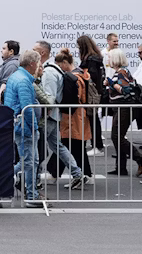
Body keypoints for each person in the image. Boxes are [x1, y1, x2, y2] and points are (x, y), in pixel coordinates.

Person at [39, 43, 86, 186]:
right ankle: (77, 174)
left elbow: (49, 97)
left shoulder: (49, 72)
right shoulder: (55, 71)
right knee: (57, 146)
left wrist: (45, 113)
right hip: (54, 115)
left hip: (49, 116)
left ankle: (33, 179)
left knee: (39, 147)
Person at [5, 48, 42, 206]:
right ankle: (31, 196)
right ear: (32, 64)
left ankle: (31, 194)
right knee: (30, 162)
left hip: (19, 125)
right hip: (24, 127)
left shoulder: (17, 77)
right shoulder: (24, 81)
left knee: (28, 161)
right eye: (38, 63)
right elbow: (27, 107)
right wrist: (34, 127)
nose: (39, 66)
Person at [105, 48, 142, 177]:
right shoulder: (122, 71)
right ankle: (121, 167)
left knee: (117, 136)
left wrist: (112, 84)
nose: (108, 60)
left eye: (110, 58)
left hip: (124, 108)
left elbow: (125, 90)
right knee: (118, 136)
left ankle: (140, 159)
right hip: (121, 108)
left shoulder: (121, 72)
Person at [55, 49, 93, 183]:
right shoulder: (83, 74)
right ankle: (85, 174)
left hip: (72, 116)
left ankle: (55, 172)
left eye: (60, 65)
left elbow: (69, 100)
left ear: (65, 63)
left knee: (66, 145)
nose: (60, 68)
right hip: (81, 113)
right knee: (75, 146)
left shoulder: (71, 78)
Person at [76, 35, 106, 155]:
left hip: (90, 93)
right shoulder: (96, 58)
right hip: (96, 92)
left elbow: (91, 75)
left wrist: (80, 73)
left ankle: (97, 145)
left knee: (93, 118)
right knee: (93, 118)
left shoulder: (91, 60)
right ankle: (96, 144)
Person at [0, 41, 21, 106]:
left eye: (4, 48)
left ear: (11, 51)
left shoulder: (12, 65)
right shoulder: (7, 64)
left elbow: (5, 83)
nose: (1, 51)